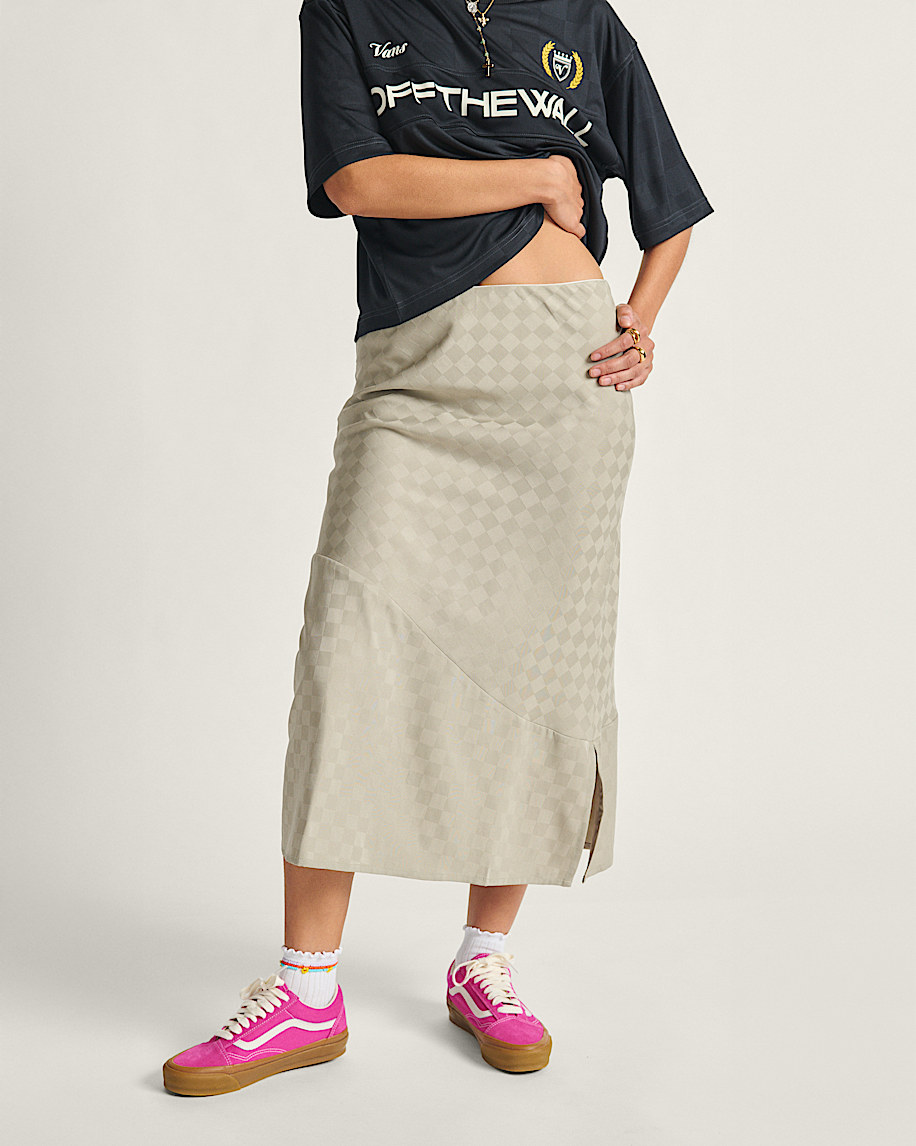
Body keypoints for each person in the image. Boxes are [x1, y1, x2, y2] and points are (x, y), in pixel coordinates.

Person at [162, 0, 713, 1094]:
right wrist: (540, 175)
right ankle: (306, 990)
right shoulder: (349, 9)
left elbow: (672, 206)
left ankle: (483, 960)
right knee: (344, 658)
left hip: (562, 379)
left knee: (538, 675)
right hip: (413, 378)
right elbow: (357, 181)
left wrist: (638, 323)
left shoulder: (579, 18)